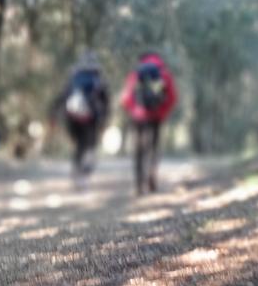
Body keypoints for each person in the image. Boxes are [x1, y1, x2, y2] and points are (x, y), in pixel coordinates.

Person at [120, 50, 177, 195]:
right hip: (156, 117)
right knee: (153, 147)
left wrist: (134, 111)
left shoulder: (137, 74)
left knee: (139, 151)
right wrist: (162, 113)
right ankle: (152, 175)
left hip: (138, 117)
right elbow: (172, 97)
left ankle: (139, 184)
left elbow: (126, 98)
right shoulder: (163, 74)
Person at [51, 53, 110, 183]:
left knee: (79, 145)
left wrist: (54, 114)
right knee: (89, 145)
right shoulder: (99, 79)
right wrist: (104, 120)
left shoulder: (74, 77)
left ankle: (76, 170)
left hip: (72, 116)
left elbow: (63, 96)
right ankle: (84, 171)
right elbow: (105, 102)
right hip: (91, 118)